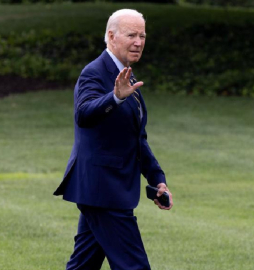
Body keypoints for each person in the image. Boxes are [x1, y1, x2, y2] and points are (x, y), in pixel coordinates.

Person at [53, 9, 173, 270]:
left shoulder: (126, 76)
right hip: (103, 190)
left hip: (105, 190)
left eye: (142, 35)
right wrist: (115, 98)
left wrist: (157, 179)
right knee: (134, 266)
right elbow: (83, 114)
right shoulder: (94, 73)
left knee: (83, 265)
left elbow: (136, 138)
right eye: (131, 35)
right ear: (111, 36)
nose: (139, 42)